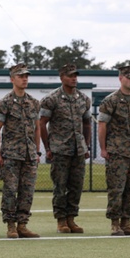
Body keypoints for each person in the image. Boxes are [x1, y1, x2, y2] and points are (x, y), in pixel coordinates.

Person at [39, 63, 91, 233]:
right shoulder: (51, 99)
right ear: (62, 77)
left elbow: (87, 123)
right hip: (59, 149)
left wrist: (87, 145)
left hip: (78, 149)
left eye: (75, 75)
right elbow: (42, 124)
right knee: (60, 186)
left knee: (76, 186)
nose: (74, 78)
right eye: (70, 75)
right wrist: (48, 147)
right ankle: (61, 220)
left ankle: (71, 218)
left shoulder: (83, 99)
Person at [0, 63, 42, 238]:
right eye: (21, 76)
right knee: (10, 190)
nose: (25, 79)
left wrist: (37, 152)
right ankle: (11, 225)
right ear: (12, 79)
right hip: (11, 155)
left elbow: (37, 129)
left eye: (26, 76)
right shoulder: (4, 103)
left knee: (27, 191)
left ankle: (23, 224)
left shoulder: (34, 103)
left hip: (29, 155)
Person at [97, 65, 130, 236]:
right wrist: (103, 148)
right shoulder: (110, 101)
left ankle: (127, 222)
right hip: (117, 151)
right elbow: (102, 126)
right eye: (129, 77)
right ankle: (115, 224)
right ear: (120, 78)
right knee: (116, 188)